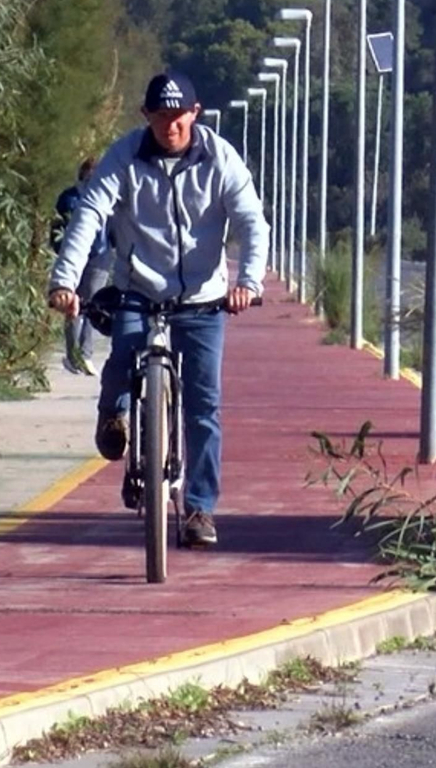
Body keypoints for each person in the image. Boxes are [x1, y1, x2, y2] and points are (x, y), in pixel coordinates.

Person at [46, 70, 269, 548]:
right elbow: (89, 214)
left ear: (195, 113)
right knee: (121, 361)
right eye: (160, 117)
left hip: (204, 299)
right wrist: (64, 281)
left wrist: (248, 282)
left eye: (178, 117)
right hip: (137, 289)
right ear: (145, 116)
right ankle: (114, 414)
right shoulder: (124, 156)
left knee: (204, 406)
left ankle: (199, 509)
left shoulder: (218, 157)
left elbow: (251, 219)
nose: (170, 127)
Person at [53, 158, 111, 375]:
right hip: (75, 258)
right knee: (73, 306)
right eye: (90, 177)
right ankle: (73, 354)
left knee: (93, 305)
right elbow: (59, 226)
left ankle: (85, 354)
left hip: (100, 256)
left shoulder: (107, 197)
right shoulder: (69, 198)